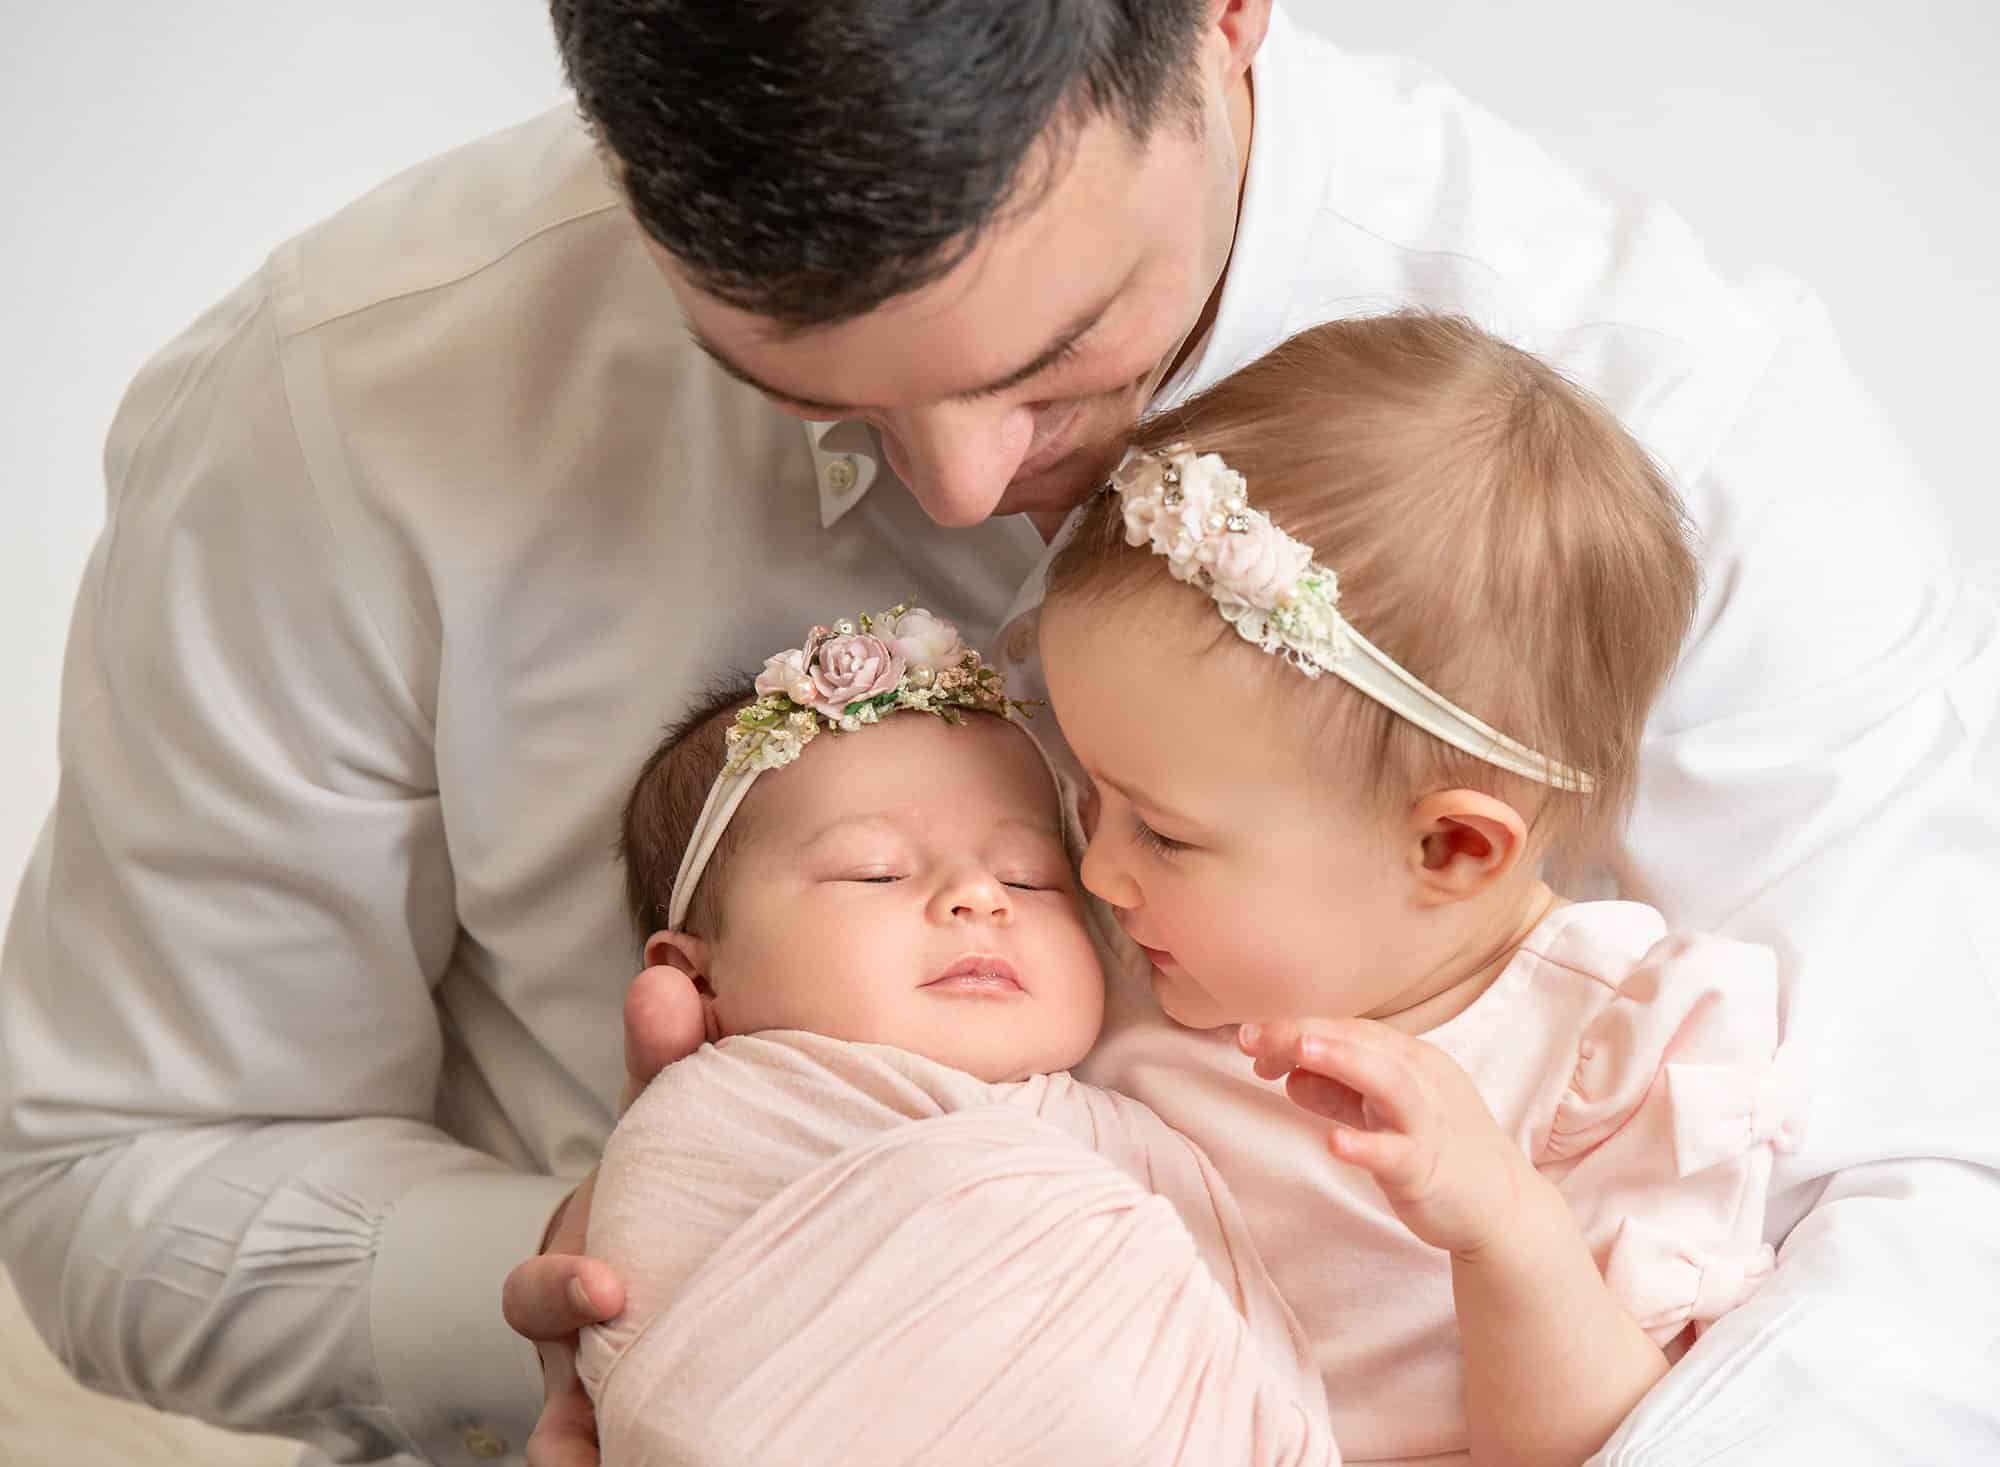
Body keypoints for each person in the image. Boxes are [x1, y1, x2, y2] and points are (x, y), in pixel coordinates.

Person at [0, 2, 1991, 1464]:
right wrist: (642, 1280)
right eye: (804, 388)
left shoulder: (1679, 426)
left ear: (1227, 21)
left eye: (1058, 364)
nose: (957, 496)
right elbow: (113, 1168)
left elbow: (1927, 1211)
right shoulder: (343, 405)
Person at [1038, 313, 1798, 1465]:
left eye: (1163, 834)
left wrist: (1503, 1230)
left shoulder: (1605, 1057)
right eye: (1096, 800)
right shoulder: (1119, 946)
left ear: (1449, 852)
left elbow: (1597, 1446)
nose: (1096, 866)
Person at [575, 616, 1335, 1464]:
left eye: (1029, 878)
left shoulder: (1144, 1127)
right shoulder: (724, 1126)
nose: (979, 893)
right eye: (878, 871)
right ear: (699, 977)